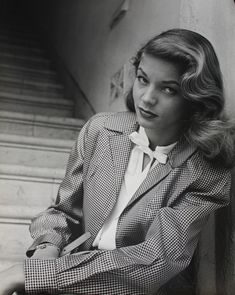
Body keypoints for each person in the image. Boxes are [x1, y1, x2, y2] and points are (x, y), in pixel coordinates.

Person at [0, 28, 234, 295]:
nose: (146, 97)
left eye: (168, 89)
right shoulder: (100, 129)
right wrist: (48, 246)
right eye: (143, 79)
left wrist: (35, 276)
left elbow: (156, 260)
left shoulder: (206, 169)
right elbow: (63, 211)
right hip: (72, 273)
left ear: (195, 98)